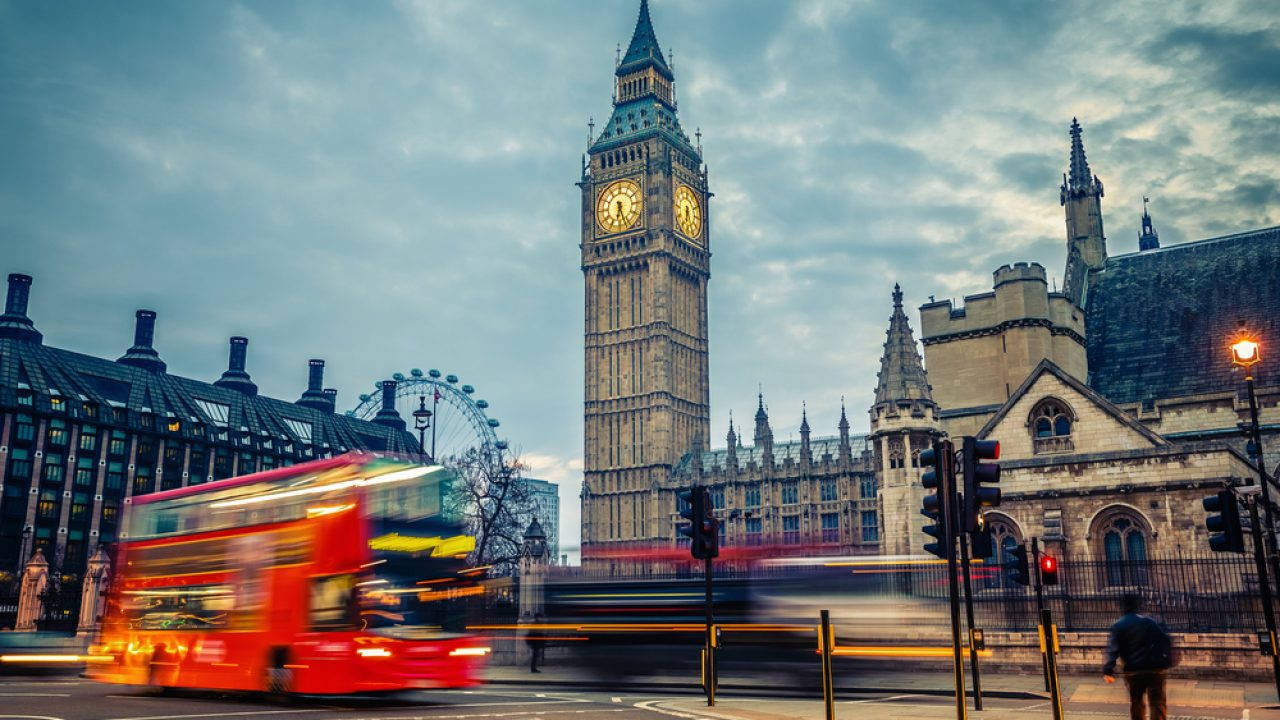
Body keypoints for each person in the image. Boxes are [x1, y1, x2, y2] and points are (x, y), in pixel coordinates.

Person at [1103, 594, 1175, 720]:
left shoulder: (1118, 626)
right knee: (1157, 703)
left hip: (1133, 671)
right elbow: (1164, 640)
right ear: (1137, 606)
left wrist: (1108, 669)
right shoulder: (1149, 622)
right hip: (1155, 669)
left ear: (1122, 607)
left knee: (1136, 703)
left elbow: (1113, 650)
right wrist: (1167, 659)